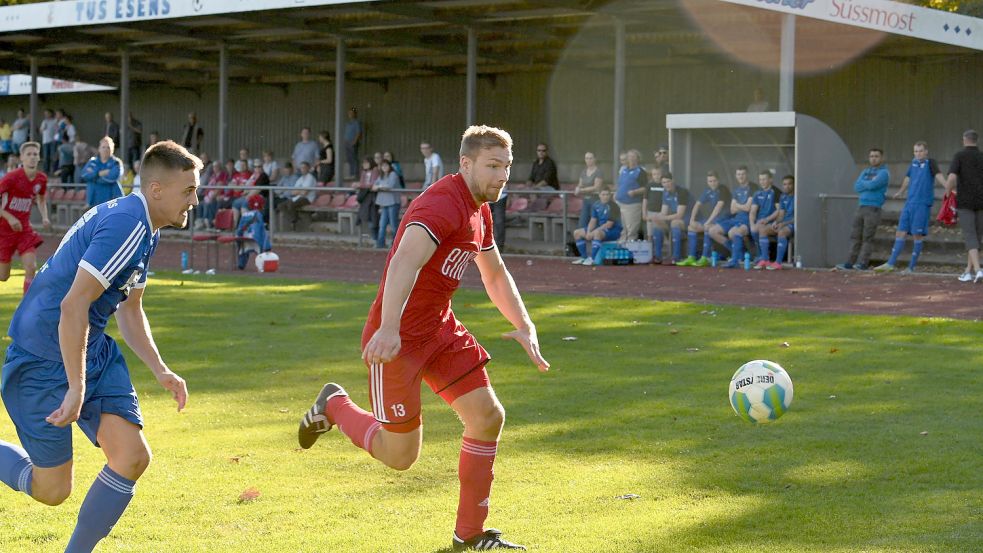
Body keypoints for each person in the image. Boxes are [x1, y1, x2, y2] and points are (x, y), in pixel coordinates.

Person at [297, 125, 548, 552]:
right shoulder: (441, 203)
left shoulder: (479, 209)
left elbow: (494, 272)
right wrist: (389, 327)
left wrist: (525, 325)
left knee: (488, 417)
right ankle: (334, 405)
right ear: (465, 164)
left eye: (506, 166)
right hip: (398, 339)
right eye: (492, 165)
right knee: (400, 456)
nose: (502, 175)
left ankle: (469, 535)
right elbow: (404, 262)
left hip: (440, 329)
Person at [0, 140, 197, 552]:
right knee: (52, 490)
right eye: (188, 191)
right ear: (157, 189)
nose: (194, 201)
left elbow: (130, 308)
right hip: (42, 353)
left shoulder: (148, 227)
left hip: (88, 344)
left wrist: (160, 369)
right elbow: (73, 305)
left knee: (131, 456)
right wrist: (76, 386)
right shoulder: (129, 222)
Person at [873, 142, 945, 274]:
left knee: (917, 236)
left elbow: (939, 176)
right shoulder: (913, 163)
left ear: (926, 151)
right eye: (916, 151)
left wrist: (948, 188)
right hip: (909, 203)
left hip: (922, 204)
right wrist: (901, 191)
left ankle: (911, 267)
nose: (918, 153)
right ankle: (890, 263)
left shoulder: (931, 163)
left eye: (920, 151)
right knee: (900, 232)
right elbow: (907, 178)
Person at [0, 141, 50, 294]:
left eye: (35, 154)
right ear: (21, 157)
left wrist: (45, 217)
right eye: (28, 154)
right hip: (4, 230)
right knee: (3, 276)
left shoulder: (41, 179)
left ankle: (25, 309)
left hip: (24, 229)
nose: (32, 157)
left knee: (31, 267)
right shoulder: (11, 177)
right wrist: (9, 217)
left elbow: (41, 199)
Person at [835, 149, 889, 271]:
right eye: (871, 156)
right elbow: (856, 186)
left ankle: (863, 264)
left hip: (873, 208)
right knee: (855, 236)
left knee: (867, 237)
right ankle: (849, 263)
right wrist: (868, 183)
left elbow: (872, 185)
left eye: (876, 156)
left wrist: (866, 184)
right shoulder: (865, 171)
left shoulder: (884, 173)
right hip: (861, 206)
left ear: (882, 158)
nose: (873, 158)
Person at [945, 130, 983, 282]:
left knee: (969, 235)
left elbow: (952, 178)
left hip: (965, 201)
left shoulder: (959, 156)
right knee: (977, 236)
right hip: (982, 201)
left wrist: (948, 194)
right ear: (977, 140)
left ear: (964, 140)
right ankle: (968, 271)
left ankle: (978, 270)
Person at [678, 171, 731, 266]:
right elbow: (697, 205)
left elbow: (718, 207)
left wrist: (708, 221)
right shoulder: (708, 191)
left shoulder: (723, 189)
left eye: (714, 181)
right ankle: (691, 257)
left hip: (725, 218)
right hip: (714, 219)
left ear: (718, 180)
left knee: (707, 226)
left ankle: (705, 257)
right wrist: (692, 220)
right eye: (710, 181)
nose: (712, 183)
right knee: (691, 227)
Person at [709, 166, 754, 268]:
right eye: (738, 174)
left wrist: (738, 205)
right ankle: (737, 253)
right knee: (712, 231)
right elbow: (732, 209)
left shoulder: (753, 187)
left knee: (732, 232)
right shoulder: (736, 190)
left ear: (747, 175)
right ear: (735, 176)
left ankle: (735, 260)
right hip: (735, 219)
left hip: (747, 220)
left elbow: (748, 208)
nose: (741, 176)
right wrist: (741, 206)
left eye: (743, 174)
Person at [572, 186, 622, 266]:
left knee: (597, 233)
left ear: (610, 195)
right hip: (600, 228)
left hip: (613, 231)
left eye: (607, 195)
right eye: (603, 194)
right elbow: (593, 220)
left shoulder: (614, 206)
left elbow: (609, 225)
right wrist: (588, 231)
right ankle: (584, 258)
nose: (605, 197)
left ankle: (592, 259)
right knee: (577, 233)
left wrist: (593, 232)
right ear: (599, 195)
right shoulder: (596, 205)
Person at [648, 172, 688, 265]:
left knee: (675, 222)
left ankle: (676, 257)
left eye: (668, 181)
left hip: (689, 219)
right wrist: (656, 217)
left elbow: (680, 215)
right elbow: (663, 212)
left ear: (673, 181)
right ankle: (658, 257)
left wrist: (664, 217)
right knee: (657, 224)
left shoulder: (682, 191)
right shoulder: (665, 193)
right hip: (675, 219)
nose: (666, 184)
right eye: (664, 182)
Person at [80, 137, 124, 209]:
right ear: (99, 149)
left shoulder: (116, 163)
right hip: (93, 203)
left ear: (112, 149)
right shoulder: (92, 162)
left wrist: (93, 178)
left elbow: (113, 178)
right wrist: (98, 174)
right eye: (103, 147)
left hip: (112, 204)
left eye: (108, 147)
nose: (106, 149)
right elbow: (84, 175)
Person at [750, 170, 780, 269]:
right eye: (760, 180)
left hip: (771, 221)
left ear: (770, 180)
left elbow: (779, 210)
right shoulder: (758, 193)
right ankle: (762, 257)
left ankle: (764, 258)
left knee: (760, 229)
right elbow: (753, 211)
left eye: (764, 179)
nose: (762, 182)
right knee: (753, 230)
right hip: (760, 221)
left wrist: (767, 219)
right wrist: (752, 224)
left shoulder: (776, 192)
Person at [615, 149, 647, 242]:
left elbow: (645, 188)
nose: (631, 159)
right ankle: (622, 246)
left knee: (631, 229)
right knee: (623, 227)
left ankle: (631, 247)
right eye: (629, 156)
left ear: (638, 159)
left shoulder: (640, 172)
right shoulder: (623, 170)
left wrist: (635, 191)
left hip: (632, 204)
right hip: (621, 203)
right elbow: (620, 184)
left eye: (633, 157)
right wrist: (617, 192)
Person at [765, 175, 795, 270]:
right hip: (784, 223)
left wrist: (783, 224)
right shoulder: (783, 196)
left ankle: (778, 262)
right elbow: (781, 214)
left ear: (794, 184)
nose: (787, 186)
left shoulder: (798, 197)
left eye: (790, 184)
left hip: (794, 224)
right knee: (762, 229)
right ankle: (765, 260)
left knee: (782, 231)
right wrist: (776, 221)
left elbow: (798, 218)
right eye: (785, 184)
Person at [374, 158, 403, 249]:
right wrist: (380, 187)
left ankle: (396, 244)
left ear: (390, 166)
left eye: (386, 165)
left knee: (394, 225)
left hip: (393, 203)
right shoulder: (381, 176)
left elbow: (389, 187)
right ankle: (380, 244)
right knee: (382, 224)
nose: (384, 167)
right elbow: (374, 186)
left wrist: (379, 187)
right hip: (384, 203)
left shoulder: (393, 174)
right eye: (382, 166)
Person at [575, 152, 604, 230]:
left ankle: (595, 240)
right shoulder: (583, 171)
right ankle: (581, 239)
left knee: (594, 221)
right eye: (587, 158)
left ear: (594, 159)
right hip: (586, 199)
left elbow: (596, 187)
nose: (589, 160)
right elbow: (580, 184)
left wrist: (582, 190)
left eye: (591, 158)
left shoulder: (598, 172)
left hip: (595, 199)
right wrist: (577, 188)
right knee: (582, 222)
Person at [356, 156, 380, 238]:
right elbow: (362, 182)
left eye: (366, 163)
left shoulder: (375, 171)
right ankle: (373, 238)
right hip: (365, 197)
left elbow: (372, 183)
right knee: (367, 217)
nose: (364, 165)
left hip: (372, 198)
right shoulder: (363, 172)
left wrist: (361, 185)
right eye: (363, 163)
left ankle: (376, 238)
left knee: (373, 218)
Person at [344, 107, 363, 180]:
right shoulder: (348, 123)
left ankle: (355, 174)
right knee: (349, 158)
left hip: (352, 142)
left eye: (352, 113)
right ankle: (351, 174)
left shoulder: (357, 122)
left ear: (355, 114)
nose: (350, 114)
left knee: (354, 158)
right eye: (349, 113)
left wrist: (354, 141)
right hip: (347, 142)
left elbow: (358, 132)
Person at [40, 109, 57, 175]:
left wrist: (55, 139)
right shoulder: (44, 121)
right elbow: (41, 131)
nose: (46, 115)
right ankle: (46, 171)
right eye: (45, 114)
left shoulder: (54, 121)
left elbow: (57, 131)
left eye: (47, 113)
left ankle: (53, 170)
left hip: (52, 141)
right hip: (45, 141)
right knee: (45, 157)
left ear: (51, 114)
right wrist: (43, 128)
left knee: (52, 157)